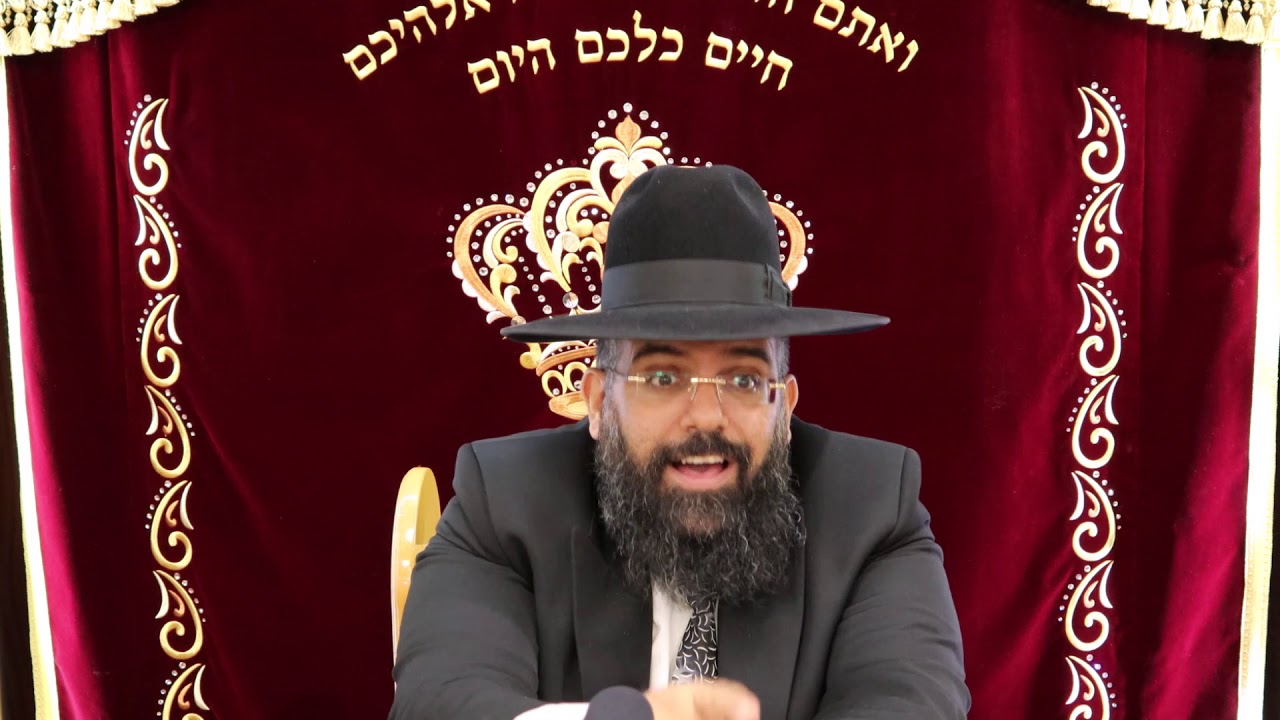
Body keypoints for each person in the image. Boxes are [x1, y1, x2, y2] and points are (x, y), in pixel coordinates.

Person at [390, 165, 969, 720]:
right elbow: (439, 702)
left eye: (744, 380)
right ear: (598, 401)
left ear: (785, 408)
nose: (706, 418)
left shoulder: (872, 509)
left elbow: (913, 703)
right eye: (663, 377)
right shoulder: (506, 502)